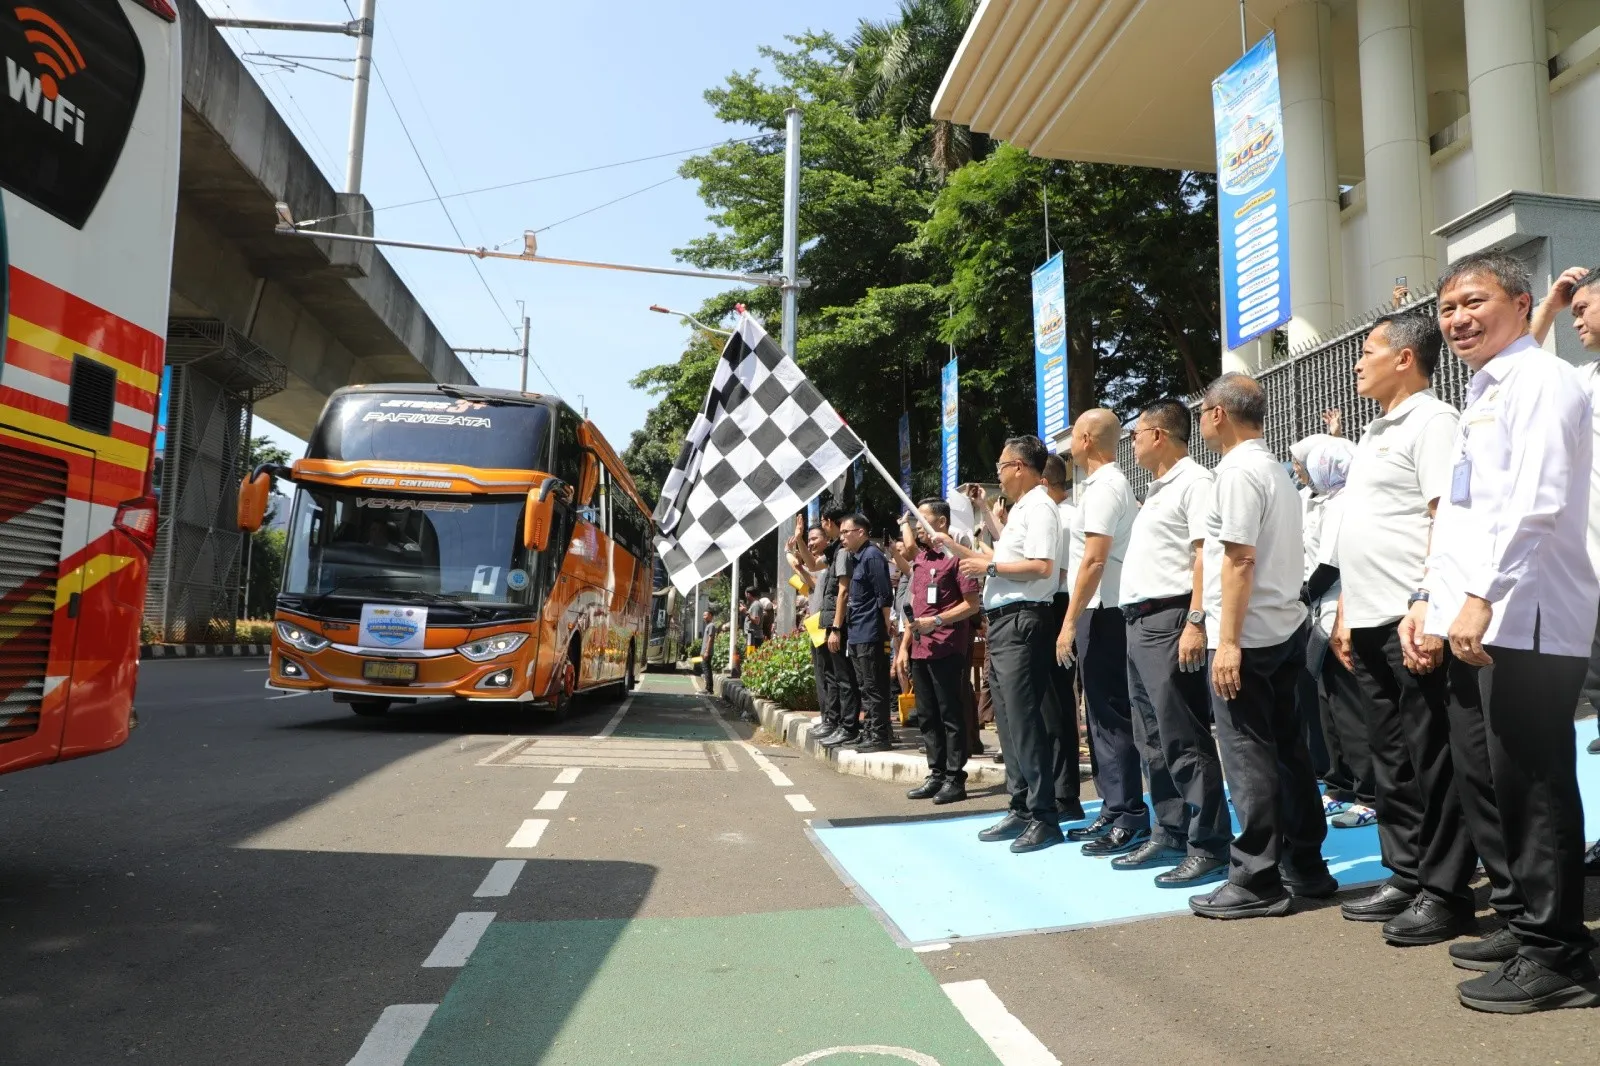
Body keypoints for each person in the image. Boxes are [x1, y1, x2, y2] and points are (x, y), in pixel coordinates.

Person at [1407, 251, 1598, 1013]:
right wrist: (1432, 598)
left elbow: (1538, 503)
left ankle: (1560, 955)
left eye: (1474, 302)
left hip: (1530, 612)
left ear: (1522, 304)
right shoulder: (1485, 389)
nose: (1458, 319)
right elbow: (1463, 514)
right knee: (1492, 777)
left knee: (1535, 782)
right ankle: (1526, 925)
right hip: (1479, 613)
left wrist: (1481, 598)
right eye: (1448, 308)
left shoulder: (1541, 380)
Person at [1328, 309, 1499, 948]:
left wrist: (1427, 603)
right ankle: (1406, 872)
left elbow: (1444, 517)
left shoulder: (1433, 421)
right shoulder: (1376, 430)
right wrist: (1345, 608)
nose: (1356, 363)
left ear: (1404, 358)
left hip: (1410, 618)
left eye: (1367, 351)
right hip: (1368, 615)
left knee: (1433, 759)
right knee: (1391, 759)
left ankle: (1446, 890)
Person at [1188, 372, 1333, 920]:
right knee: (1289, 751)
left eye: (1203, 412)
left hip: (1248, 635)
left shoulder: (1237, 472)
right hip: (1282, 627)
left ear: (1218, 414)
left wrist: (1226, 641)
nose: (1201, 422)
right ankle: (1306, 865)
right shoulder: (1272, 468)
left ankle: (1256, 877)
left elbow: (1239, 559)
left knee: (1248, 755)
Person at [1116, 399, 1230, 886]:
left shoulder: (1194, 482)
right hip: (1140, 621)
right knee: (1151, 737)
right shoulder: (1157, 489)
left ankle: (1209, 843)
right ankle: (1170, 829)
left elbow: (1205, 555)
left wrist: (1196, 621)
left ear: (1159, 435)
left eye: (1136, 434)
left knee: (1183, 735)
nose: (1133, 442)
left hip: (1171, 617)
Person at [935, 435, 1062, 853]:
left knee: (1025, 721)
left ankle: (1043, 815)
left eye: (1002, 467)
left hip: (1024, 621)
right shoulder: (1023, 508)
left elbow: (1042, 567)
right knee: (1007, 720)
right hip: (1004, 623)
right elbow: (1001, 562)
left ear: (1020, 467)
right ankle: (1021, 805)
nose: (999, 475)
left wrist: (989, 567)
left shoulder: (1040, 506)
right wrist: (957, 549)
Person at [1056, 408, 1148, 856]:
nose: (1070, 444)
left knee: (1111, 715)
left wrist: (1069, 621)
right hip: (1098, 611)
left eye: (1074, 435)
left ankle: (1129, 813)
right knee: (1098, 717)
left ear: (1088, 439)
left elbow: (1094, 560)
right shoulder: (1095, 487)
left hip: (1106, 612)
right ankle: (1113, 808)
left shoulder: (1107, 486)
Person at [1290, 433, 1376, 830]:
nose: (1301, 470)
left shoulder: (1344, 503)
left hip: (1340, 611)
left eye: (1307, 463)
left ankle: (1369, 794)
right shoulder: (1321, 502)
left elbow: (1330, 566)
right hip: (1321, 613)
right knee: (1327, 707)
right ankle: (1339, 786)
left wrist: (1301, 597)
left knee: (1349, 709)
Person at [1532, 266, 1600, 758]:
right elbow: (1520, 365)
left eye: (1582, 309)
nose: (1574, 322)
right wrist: (1549, 307)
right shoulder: (1582, 381)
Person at [895, 499, 982, 804]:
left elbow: (972, 605)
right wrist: (904, 648)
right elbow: (914, 609)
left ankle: (955, 778)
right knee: (927, 715)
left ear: (941, 522)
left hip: (947, 647)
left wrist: (938, 621)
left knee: (950, 714)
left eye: (923, 519)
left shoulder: (957, 559)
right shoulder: (921, 560)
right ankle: (936, 773)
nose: (918, 525)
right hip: (920, 649)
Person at [1041, 455, 1085, 821]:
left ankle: (1066, 794)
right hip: (1051, 605)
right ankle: (1058, 789)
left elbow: (1059, 574)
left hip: (1060, 606)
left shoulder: (1064, 517)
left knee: (1057, 703)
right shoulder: (1051, 514)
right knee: (1048, 704)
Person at [793, 510, 861, 746]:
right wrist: (799, 539)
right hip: (827, 622)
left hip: (837, 624)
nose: (822, 527)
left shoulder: (842, 552)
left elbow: (843, 592)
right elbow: (812, 564)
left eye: (823, 523)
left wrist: (836, 628)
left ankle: (847, 726)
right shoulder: (834, 552)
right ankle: (834, 722)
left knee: (844, 678)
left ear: (830, 523)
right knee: (832, 676)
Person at [838, 514, 895, 754]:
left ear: (860, 532)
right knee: (864, 686)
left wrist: (887, 624)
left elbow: (884, 594)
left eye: (846, 532)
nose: (842, 537)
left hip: (871, 631)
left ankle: (879, 735)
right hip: (858, 631)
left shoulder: (872, 556)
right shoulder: (857, 558)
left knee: (873, 686)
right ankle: (870, 730)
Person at [699, 608, 719, 692]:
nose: (703, 617)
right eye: (703, 615)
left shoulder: (711, 626)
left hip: (707, 652)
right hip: (705, 652)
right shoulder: (708, 625)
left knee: (707, 670)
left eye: (705, 615)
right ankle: (709, 688)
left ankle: (709, 689)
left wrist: (706, 652)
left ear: (710, 615)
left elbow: (710, 639)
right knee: (706, 669)